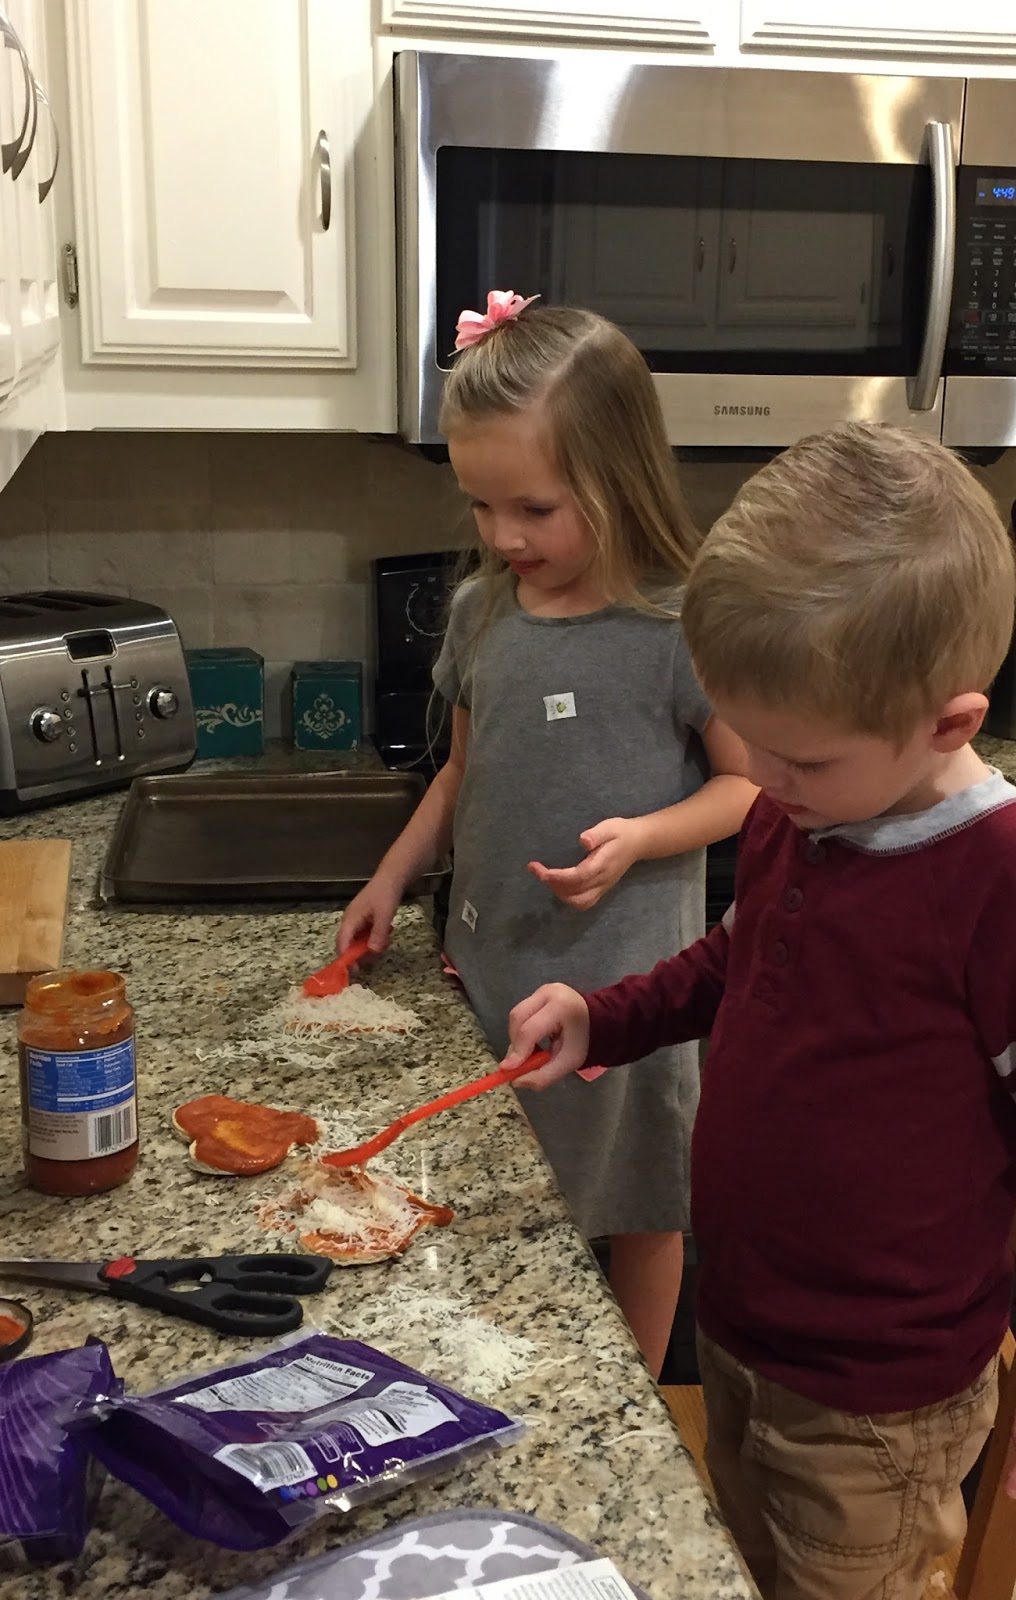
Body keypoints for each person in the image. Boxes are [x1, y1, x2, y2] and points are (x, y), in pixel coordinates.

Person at [499, 423, 1016, 1600]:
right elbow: (732, 962)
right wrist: (606, 1018)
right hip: (743, 1328)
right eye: (754, 741)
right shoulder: (807, 812)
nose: (764, 779)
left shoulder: (1009, 880)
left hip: (878, 1404)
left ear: (949, 724)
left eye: (800, 757)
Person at [338, 290, 757, 1378]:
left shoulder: (677, 625)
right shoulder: (483, 614)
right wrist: (389, 877)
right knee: (497, 1196)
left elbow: (748, 790)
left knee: (643, 1206)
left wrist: (643, 837)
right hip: (488, 971)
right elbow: (461, 773)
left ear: (619, 480)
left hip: (626, 990)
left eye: (532, 507)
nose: (501, 536)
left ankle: (631, 1402)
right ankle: (509, 1375)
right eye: (480, 505)